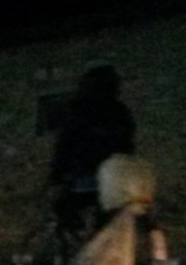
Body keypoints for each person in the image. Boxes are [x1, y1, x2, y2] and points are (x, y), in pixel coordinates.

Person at [48, 65, 135, 240]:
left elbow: (66, 142)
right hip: (111, 175)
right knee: (105, 214)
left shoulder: (80, 109)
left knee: (64, 206)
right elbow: (128, 143)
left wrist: (57, 175)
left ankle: (81, 235)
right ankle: (94, 236)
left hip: (86, 174)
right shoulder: (119, 110)